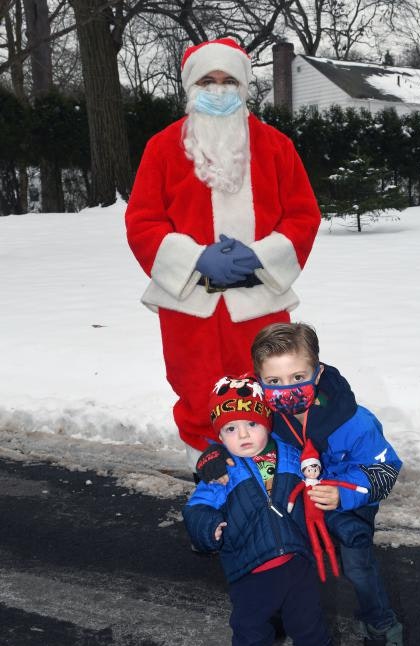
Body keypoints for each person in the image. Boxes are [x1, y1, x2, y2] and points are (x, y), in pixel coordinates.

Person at [125, 38, 322, 471]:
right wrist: (195, 258)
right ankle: (210, 474)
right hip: (190, 300)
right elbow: (142, 221)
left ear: (245, 86)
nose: (218, 90)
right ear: (190, 87)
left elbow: (303, 216)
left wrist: (260, 257)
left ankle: (271, 478)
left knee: (269, 385)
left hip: (259, 300)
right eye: (207, 80)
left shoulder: (276, 147)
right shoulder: (161, 147)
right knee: (196, 388)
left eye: (229, 80)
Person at [196, 323, 405, 646]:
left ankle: (382, 633)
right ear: (259, 380)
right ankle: (282, 610)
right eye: (273, 380)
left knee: (358, 566)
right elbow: (230, 428)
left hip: (344, 504)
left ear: (318, 371)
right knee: (290, 559)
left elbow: (385, 469)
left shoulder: (353, 418)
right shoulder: (264, 411)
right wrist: (211, 458)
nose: (285, 388)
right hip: (290, 504)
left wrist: (344, 492)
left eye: (297, 377)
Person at [183, 375, 362, 646]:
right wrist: (209, 528)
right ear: (221, 437)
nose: (244, 434)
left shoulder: (292, 457)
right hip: (251, 571)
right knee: (250, 634)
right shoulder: (223, 472)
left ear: (267, 423)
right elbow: (197, 507)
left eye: (252, 424)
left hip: (297, 564)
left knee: (310, 625)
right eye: (232, 428)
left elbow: (317, 483)